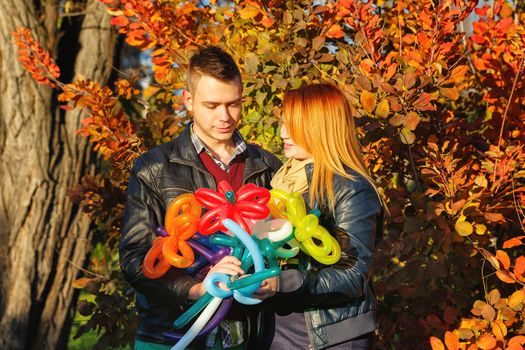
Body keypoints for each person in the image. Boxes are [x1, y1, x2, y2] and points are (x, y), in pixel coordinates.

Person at [119, 46, 282, 350]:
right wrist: (194, 288)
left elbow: (284, 243)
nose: (225, 116)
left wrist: (276, 280)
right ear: (188, 100)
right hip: (170, 336)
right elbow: (134, 258)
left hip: (250, 337)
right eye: (212, 105)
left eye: (233, 104)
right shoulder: (153, 168)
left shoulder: (267, 165)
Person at [252, 83, 384, 349]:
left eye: (293, 125)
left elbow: (352, 276)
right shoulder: (280, 182)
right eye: (283, 122)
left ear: (319, 127)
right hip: (277, 332)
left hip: (332, 338)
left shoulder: (351, 188)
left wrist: (283, 282)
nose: (282, 133)